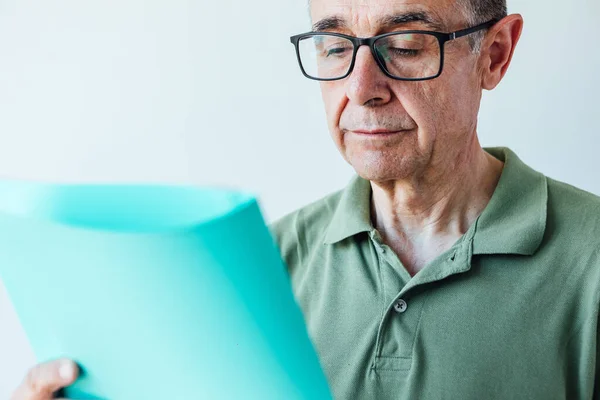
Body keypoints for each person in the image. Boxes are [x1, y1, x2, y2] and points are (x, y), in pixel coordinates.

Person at [11, 0, 600, 398]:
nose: (360, 89)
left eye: (408, 43)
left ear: (494, 54)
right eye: (334, 46)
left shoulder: (591, 262)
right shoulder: (257, 268)